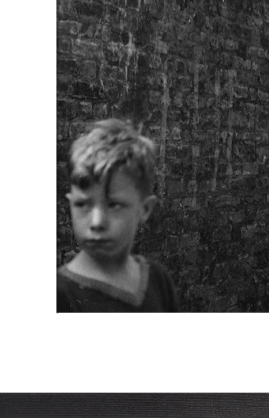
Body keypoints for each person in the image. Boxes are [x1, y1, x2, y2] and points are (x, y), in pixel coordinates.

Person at [57, 118, 179, 312]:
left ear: (145, 209)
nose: (97, 222)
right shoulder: (59, 296)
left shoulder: (158, 281)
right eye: (82, 204)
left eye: (113, 205)